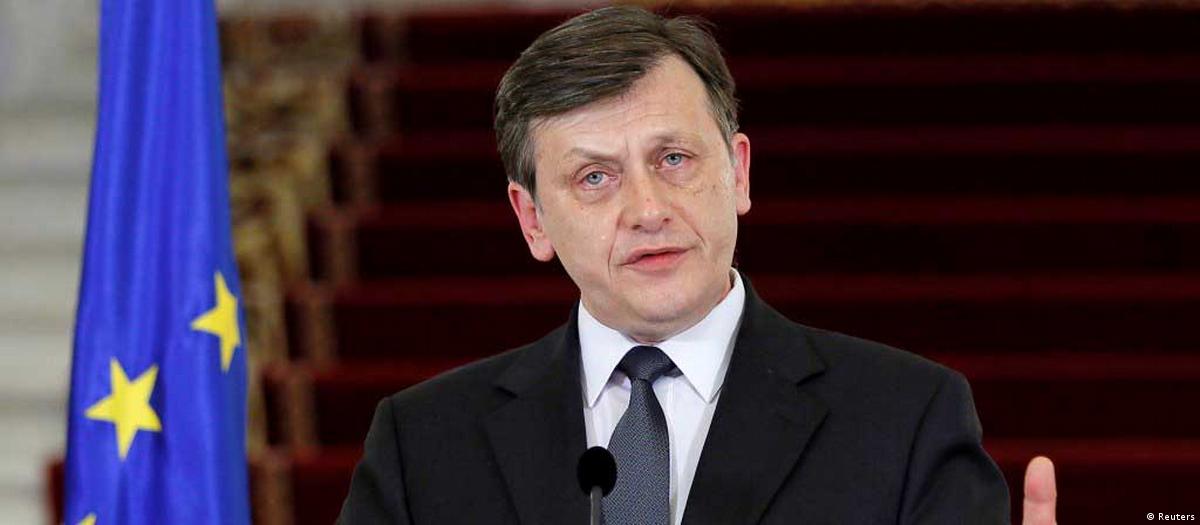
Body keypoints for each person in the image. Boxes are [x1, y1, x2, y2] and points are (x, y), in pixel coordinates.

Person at [338, 6, 1058, 524]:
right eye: (595, 177)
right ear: (533, 220)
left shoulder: (905, 418)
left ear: (738, 172)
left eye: (674, 159)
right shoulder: (423, 442)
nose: (647, 208)